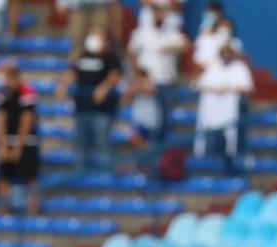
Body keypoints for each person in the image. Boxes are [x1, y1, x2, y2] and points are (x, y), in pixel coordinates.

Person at [57, 28, 122, 172]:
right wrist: (62, 87)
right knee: (80, 142)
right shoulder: (82, 55)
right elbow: (71, 72)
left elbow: (115, 75)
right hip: (82, 106)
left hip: (102, 109)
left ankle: (106, 173)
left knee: (102, 141)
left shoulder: (111, 57)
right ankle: (79, 171)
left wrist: (103, 88)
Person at [127, 6, 187, 142]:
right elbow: (131, 52)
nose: (159, 16)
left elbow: (186, 46)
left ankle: (161, 156)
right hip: (146, 84)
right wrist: (138, 75)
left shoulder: (172, 33)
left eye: (162, 14)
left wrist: (170, 47)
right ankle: (148, 154)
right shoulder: (141, 33)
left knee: (165, 119)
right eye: (156, 14)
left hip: (166, 82)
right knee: (145, 120)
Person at [193, 40, 253, 173]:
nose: (225, 56)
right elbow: (199, 84)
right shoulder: (213, 67)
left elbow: (247, 87)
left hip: (234, 110)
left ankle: (233, 160)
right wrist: (216, 89)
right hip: (215, 110)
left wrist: (229, 88)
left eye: (228, 53)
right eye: (223, 54)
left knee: (233, 136)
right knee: (216, 133)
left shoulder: (240, 67)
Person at [0, 59, 40, 216]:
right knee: (3, 177)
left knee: (30, 177)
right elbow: (1, 119)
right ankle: (4, 212)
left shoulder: (26, 91)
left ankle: (33, 211)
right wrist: (3, 147)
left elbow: (26, 120)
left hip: (26, 142)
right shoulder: (3, 93)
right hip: (8, 140)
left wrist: (18, 148)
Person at [120, 67, 158, 149]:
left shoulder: (152, 84)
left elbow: (151, 90)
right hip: (139, 121)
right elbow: (123, 102)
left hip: (151, 122)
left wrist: (137, 88)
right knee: (133, 137)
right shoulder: (134, 86)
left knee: (150, 145)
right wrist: (132, 90)